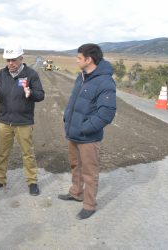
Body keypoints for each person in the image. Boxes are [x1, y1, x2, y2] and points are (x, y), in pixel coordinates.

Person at [58, 43, 116, 219]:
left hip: (88, 137)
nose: (76, 60)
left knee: (89, 173)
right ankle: (76, 192)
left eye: (79, 58)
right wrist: (68, 118)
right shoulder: (81, 76)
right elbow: (74, 102)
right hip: (73, 133)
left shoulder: (105, 82)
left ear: (88, 59)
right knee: (76, 166)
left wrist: (85, 129)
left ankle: (89, 206)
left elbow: (106, 114)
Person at [0, 44, 45, 196]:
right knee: (2, 153)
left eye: (13, 60)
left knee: (28, 153)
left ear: (21, 59)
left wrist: (30, 93)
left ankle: (32, 182)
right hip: (4, 122)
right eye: (8, 60)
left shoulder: (31, 74)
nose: (10, 63)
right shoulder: (1, 74)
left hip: (24, 122)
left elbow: (40, 95)